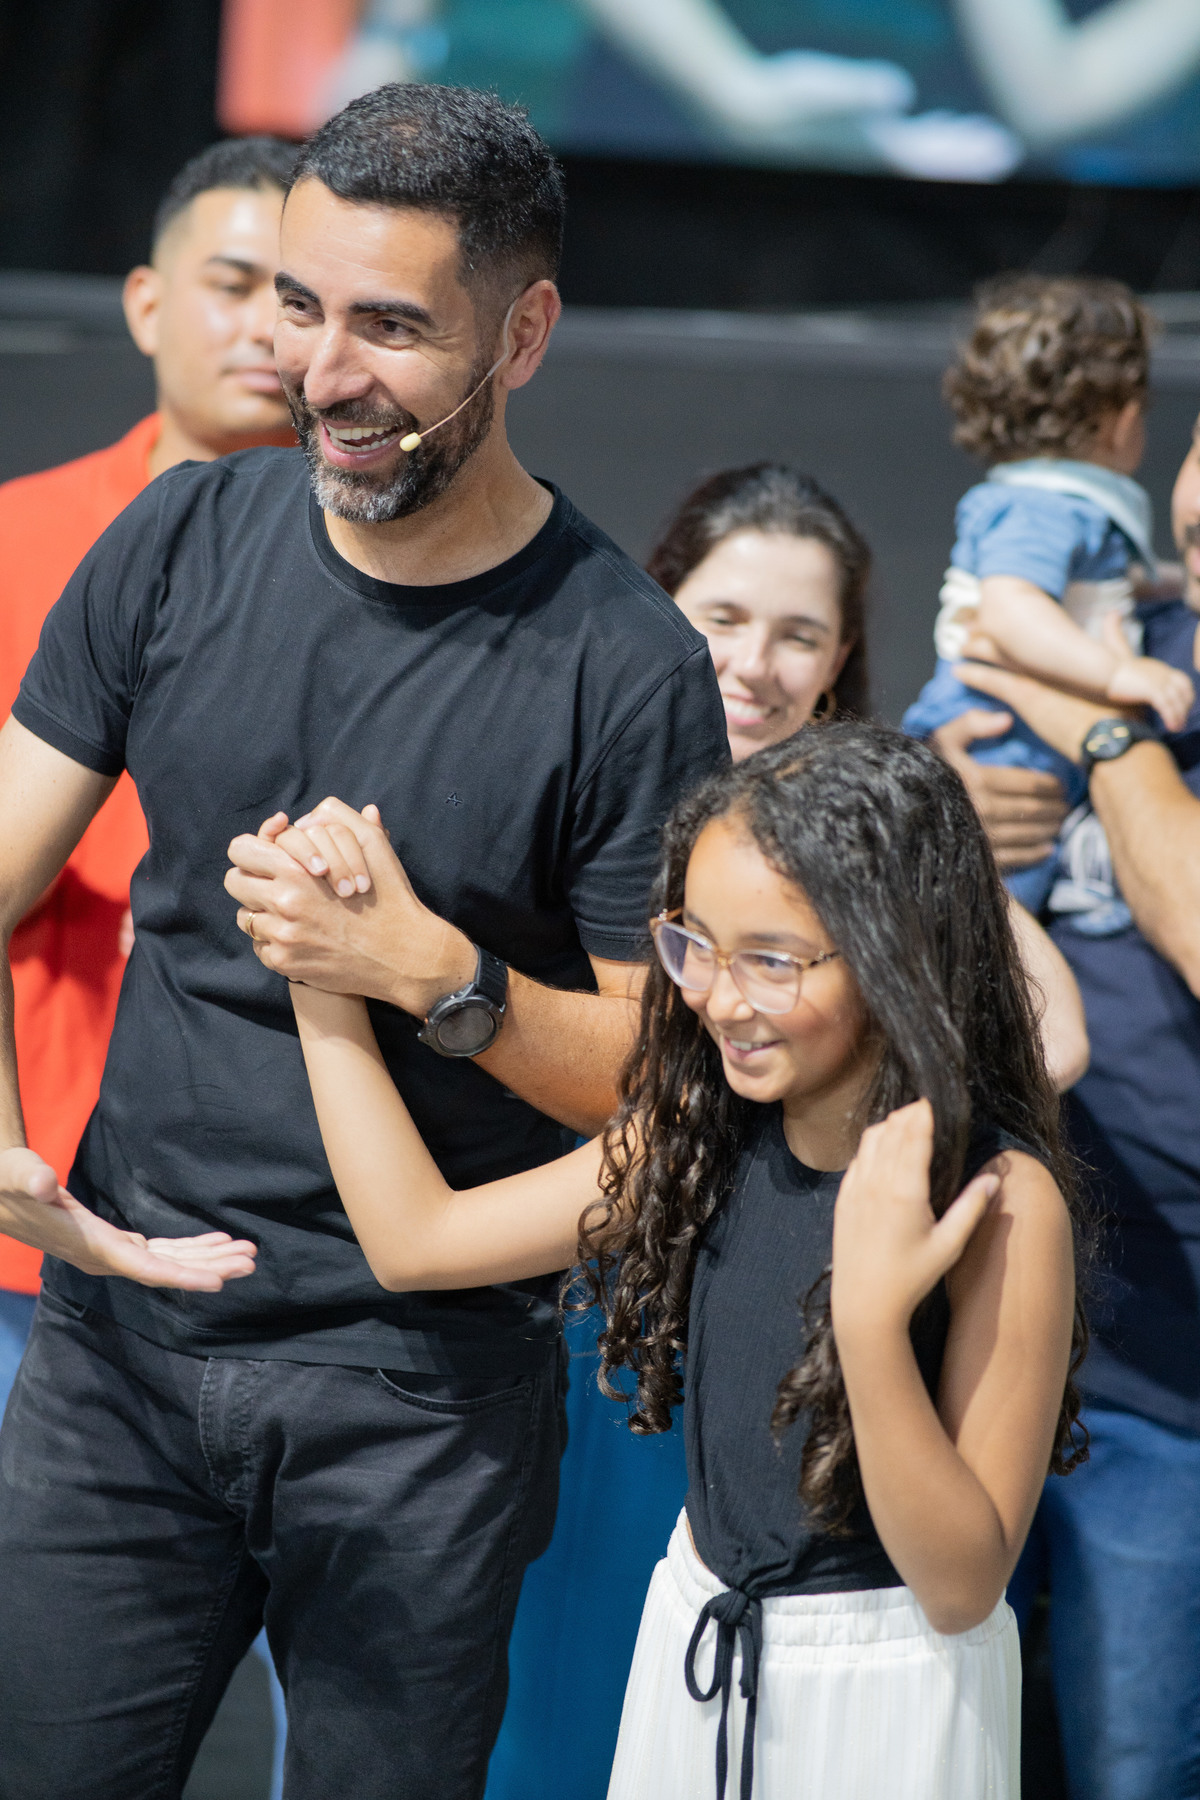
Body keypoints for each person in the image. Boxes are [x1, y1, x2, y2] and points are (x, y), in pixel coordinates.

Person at [0, 84, 728, 1800]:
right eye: (299, 306)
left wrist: (433, 979)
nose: (323, 372)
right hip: (121, 1356)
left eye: (393, 327)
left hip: (422, 1403)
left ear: (525, 330)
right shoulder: (180, 537)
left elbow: (655, 1081)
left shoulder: (626, 670)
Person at [281, 720, 1085, 1800]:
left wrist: (870, 1326)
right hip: (696, 1650)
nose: (716, 996)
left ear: (900, 948)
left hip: (890, 1698)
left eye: (773, 960)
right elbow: (417, 1240)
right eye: (693, 942)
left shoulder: (997, 1199)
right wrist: (321, 973)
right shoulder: (701, 1129)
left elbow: (959, 1585)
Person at [0, 133, 299, 1415]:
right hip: (40, 1199)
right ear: (145, 302)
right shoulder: (19, 540)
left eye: (295, 299)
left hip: (294, 1239)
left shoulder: (384, 576)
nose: (262, 330)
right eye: (233, 283)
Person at [951, 411, 1200, 1800]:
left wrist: (1102, 732)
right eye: (1197, 536)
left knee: (1131, 1762)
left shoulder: (1106, 691)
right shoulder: (1114, 637)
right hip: (1049, 1353)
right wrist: (951, 795)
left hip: (1157, 1390)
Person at [904, 274, 1191, 922]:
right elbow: (1010, 611)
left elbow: (1099, 588)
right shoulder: (1044, 507)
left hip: (1026, 734)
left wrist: (1162, 583)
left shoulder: (1052, 504)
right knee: (995, 916)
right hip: (1001, 731)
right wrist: (1118, 670)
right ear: (1119, 420)